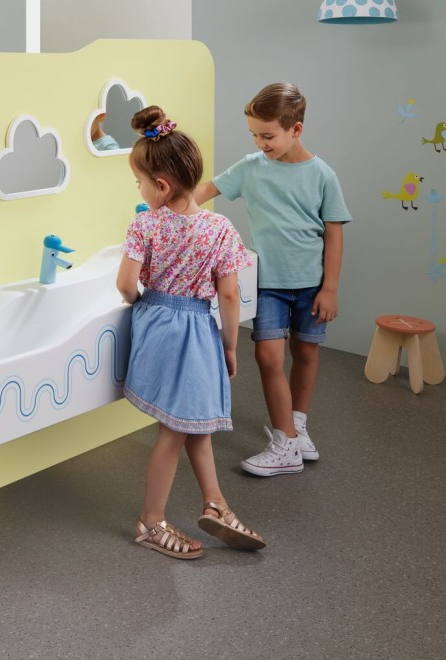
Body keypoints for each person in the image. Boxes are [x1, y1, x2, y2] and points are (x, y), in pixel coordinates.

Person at [117, 106, 265, 560]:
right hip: (199, 330)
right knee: (178, 428)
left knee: (190, 425)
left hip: (159, 325)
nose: (139, 190)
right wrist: (230, 346)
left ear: (160, 186)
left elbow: (125, 285)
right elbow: (230, 296)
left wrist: (145, 306)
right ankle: (151, 521)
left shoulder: (144, 222)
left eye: (140, 182)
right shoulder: (220, 229)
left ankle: (213, 504)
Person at [194, 82, 352, 477]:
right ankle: (284, 443)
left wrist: (330, 288)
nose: (260, 142)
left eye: (268, 135)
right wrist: (166, 207)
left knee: (306, 353)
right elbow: (206, 191)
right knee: (267, 356)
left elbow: (334, 232)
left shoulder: (322, 175)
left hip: (311, 284)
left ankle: (297, 428)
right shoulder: (250, 168)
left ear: (295, 130)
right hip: (267, 284)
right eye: (254, 134)